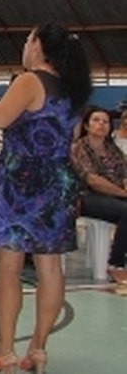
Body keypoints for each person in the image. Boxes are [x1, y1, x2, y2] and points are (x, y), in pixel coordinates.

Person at [0, 24, 91, 374]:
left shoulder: (29, 81)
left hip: (20, 183)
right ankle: (38, 349)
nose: (25, 45)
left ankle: (5, 351)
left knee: (9, 268)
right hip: (58, 182)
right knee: (51, 268)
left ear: (39, 46)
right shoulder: (73, 90)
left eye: (28, 39)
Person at [70, 107, 127, 286]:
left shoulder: (113, 150)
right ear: (87, 125)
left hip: (116, 195)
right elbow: (93, 180)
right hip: (86, 197)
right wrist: (123, 193)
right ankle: (116, 264)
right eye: (96, 120)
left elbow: (125, 174)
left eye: (105, 121)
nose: (101, 125)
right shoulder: (78, 148)